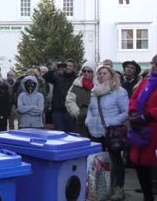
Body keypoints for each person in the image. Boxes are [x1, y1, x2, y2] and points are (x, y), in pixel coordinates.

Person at [85, 65, 128, 201]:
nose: (101, 76)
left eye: (104, 73)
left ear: (111, 75)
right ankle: (101, 188)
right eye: (99, 73)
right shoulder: (94, 92)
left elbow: (126, 112)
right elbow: (91, 110)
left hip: (111, 131)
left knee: (115, 161)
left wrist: (111, 123)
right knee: (98, 161)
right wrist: (88, 121)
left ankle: (117, 188)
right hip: (95, 130)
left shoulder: (119, 91)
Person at [128, 54, 157, 201]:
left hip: (153, 129)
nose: (154, 67)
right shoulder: (146, 81)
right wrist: (133, 111)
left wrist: (148, 116)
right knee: (140, 164)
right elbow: (134, 98)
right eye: (154, 64)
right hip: (140, 130)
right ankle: (148, 196)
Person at [43, 59, 78, 132]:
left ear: (74, 68)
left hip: (70, 112)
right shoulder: (57, 76)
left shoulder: (77, 79)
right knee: (59, 134)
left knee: (72, 135)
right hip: (57, 111)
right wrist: (53, 69)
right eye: (66, 65)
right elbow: (45, 78)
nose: (68, 67)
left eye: (70, 66)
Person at [65, 61, 96, 138]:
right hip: (80, 120)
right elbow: (69, 101)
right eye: (84, 71)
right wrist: (77, 113)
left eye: (89, 71)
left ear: (94, 72)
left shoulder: (98, 85)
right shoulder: (76, 84)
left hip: (95, 120)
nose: (86, 73)